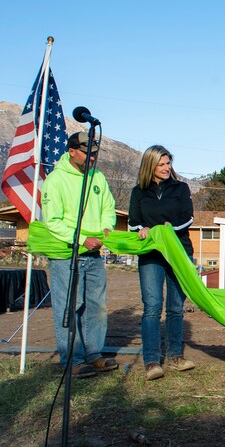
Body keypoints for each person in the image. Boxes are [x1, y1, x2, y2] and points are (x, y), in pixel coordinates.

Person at [43, 131, 117, 378]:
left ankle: (93, 355)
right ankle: (71, 360)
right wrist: (82, 239)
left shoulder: (98, 178)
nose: (92, 158)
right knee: (69, 307)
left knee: (96, 307)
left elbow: (108, 207)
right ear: (72, 150)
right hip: (67, 256)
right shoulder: (55, 180)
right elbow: (52, 221)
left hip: (94, 255)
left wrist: (106, 226)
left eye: (95, 154)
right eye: (87, 153)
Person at [129, 145, 196, 381]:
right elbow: (133, 222)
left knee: (176, 307)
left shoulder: (181, 188)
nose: (167, 168)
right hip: (151, 255)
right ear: (150, 166)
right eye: (161, 164)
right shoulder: (139, 192)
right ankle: (151, 362)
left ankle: (176, 357)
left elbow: (188, 217)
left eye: (168, 163)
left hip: (179, 252)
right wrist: (143, 229)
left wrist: (168, 229)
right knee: (152, 307)